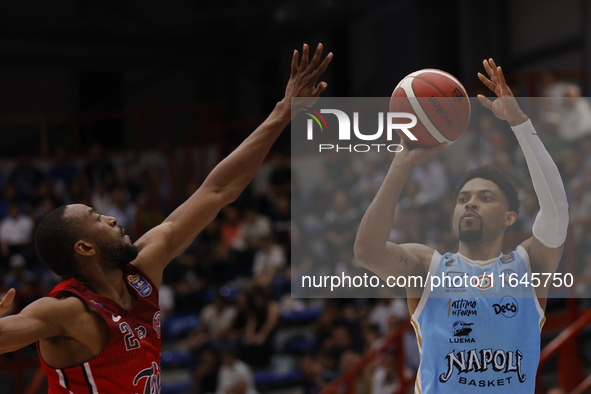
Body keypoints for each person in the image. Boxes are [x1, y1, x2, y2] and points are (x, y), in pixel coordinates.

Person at [0, 43, 332, 393]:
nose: (112, 219)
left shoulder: (143, 268)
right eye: (96, 218)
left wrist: (281, 112)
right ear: (84, 247)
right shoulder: (66, 311)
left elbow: (217, 191)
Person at [354, 58, 568, 393]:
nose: (470, 202)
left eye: (485, 197)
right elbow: (367, 252)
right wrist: (402, 164)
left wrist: (520, 123)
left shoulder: (529, 267)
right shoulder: (428, 267)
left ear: (510, 217)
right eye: (463, 198)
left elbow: (556, 212)